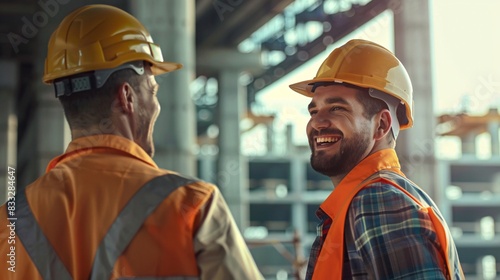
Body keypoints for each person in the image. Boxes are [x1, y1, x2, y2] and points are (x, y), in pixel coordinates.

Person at [0, 4, 263, 280]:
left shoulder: (11, 222)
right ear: (127, 98)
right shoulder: (193, 207)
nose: (158, 106)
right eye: (153, 92)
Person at [289, 39, 464, 279]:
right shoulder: (367, 199)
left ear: (381, 125)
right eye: (314, 111)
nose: (317, 123)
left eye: (337, 108)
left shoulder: (380, 200)